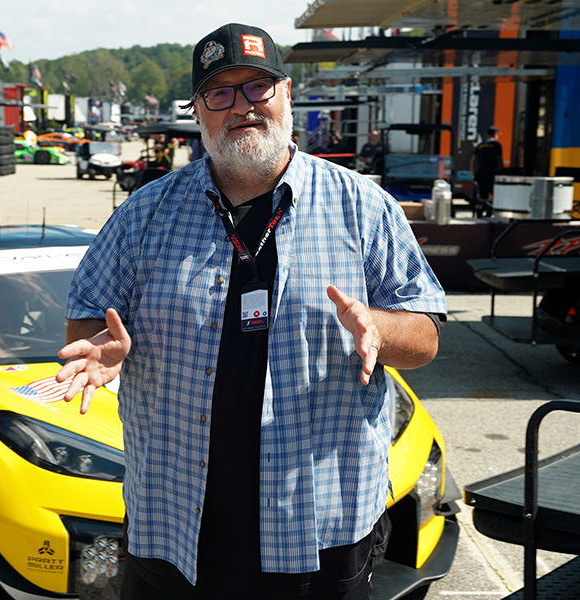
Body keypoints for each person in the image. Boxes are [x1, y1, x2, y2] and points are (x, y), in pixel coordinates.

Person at [56, 22, 446, 600]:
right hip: (174, 521)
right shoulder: (144, 214)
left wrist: (380, 328)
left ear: (286, 93)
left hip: (320, 526)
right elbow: (88, 318)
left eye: (257, 87)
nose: (242, 106)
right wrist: (100, 348)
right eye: (219, 93)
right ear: (198, 111)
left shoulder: (362, 206)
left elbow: (425, 337)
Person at [471, 126, 503, 216]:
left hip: (481, 174)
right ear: (495, 135)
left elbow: (473, 161)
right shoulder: (496, 145)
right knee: (495, 195)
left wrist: (474, 174)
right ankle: (489, 212)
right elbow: (499, 160)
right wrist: (501, 172)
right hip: (492, 174)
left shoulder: (480, 145)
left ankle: (480, 213)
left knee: (483, 196)